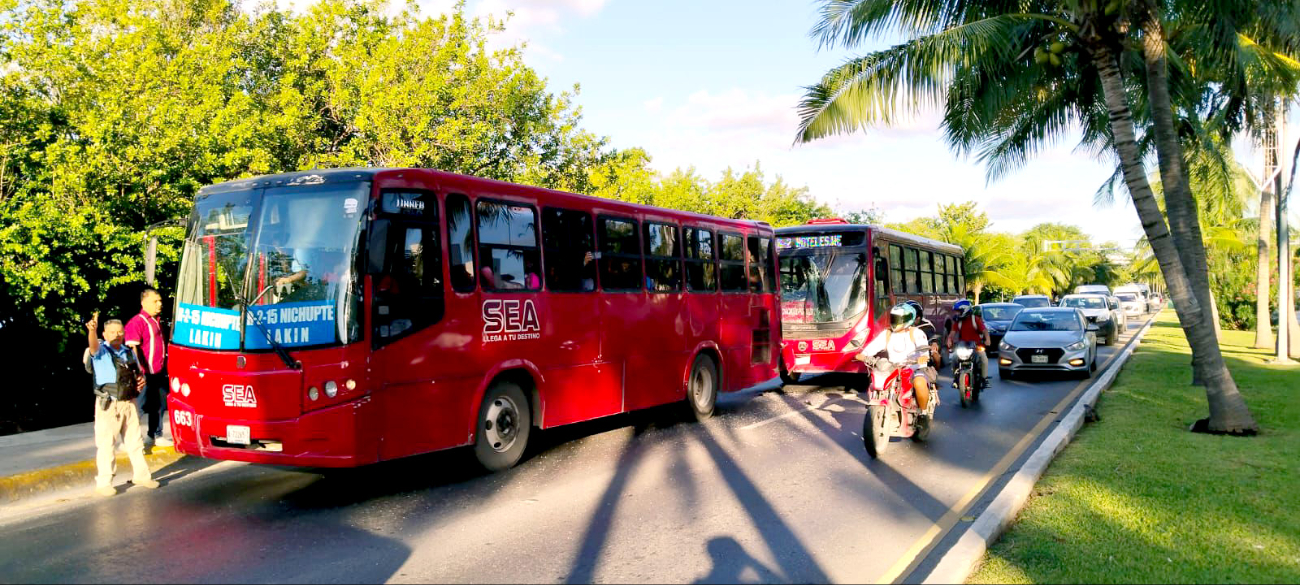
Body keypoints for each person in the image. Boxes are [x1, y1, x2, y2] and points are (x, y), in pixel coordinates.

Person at [86, 313, 158, 497]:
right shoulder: (101, 351)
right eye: (112, 332)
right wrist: (92, 331)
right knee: (106, 444)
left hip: (129, 402)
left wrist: (140, 381)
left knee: (135, 442)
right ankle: (104, 482)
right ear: (104, 333)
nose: (116, 335)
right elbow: (93, 347)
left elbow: (137, 374)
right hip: (109, 404)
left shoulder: (127, 352)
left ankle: (141, 475)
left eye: (119, 331)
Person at [854, 303, 938, 427]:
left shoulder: (916, 333)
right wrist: (863, 355)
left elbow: (923, 349)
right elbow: (871, 348)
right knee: (875, 381)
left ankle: (923, 414)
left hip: (914, 368)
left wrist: (923, 356)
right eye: (893, 318)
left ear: (907, 320)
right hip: (892, 368)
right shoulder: (887, 334)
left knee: (919, 382)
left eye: (898, 319)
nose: (894, 322)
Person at [125, 288, 171, 448]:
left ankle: (155, 435)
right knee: (138, 407)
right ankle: (128, 439)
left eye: (160, 301)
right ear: (144, 303)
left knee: (158, 405)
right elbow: (132, 349)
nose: (159, 304)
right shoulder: (137, 322)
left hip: (158, 373)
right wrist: (137, 372)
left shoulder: (156, 321)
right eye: (155, 301)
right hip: (143, 374)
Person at [946, 299, 991, 389]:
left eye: (959, 311)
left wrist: (988, 340)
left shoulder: (976, 319)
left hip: (976, 346)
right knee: (954, 358)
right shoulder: (957, 321)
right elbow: (952, 333)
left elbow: (984, 330)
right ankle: (955, 379)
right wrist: (949, 340)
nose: (957, 313)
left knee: (984, 358)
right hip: (962, 346)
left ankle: (984, 379)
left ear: (965, 310)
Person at [904, 300, 942, 368]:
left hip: (922, 352)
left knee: (935, 354)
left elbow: (932, 336)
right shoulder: (900, 325)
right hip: (903, 353)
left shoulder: (926, 325)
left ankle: (935, 371)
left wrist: (933, 344)